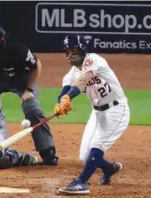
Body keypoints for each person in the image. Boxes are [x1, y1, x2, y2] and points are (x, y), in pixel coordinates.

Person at [0, 21, 58, 166]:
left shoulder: (16, 49)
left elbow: (37, 64)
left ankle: (48, 150)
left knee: (32, 109)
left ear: (3, 38)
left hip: (22, 81)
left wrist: (28, 90)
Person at [54, 34, 130, 195]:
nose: (68, 56)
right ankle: (110, 169)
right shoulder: (71, 74)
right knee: (85, 156)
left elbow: (84, 78)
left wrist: (69, 97)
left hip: (116, 110)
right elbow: (65, 91)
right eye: (66, 52)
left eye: (72, 51)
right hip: (97, 114)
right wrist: (61, 104)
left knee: (96, 148)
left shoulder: (94, 60)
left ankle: (81, 182)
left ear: (82, 50)